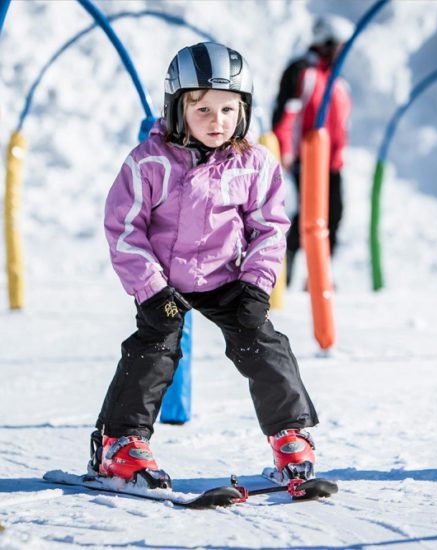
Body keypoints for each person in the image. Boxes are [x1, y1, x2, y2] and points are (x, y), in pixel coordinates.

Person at [88, 42, 319, 489]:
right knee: (154, 349)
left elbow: (269, 227)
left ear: (244, 111)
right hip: (165, 283)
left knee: (264, 344)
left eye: (229, 110)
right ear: (177, 110)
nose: (218, 122)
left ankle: (290, 434)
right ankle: (120, 443)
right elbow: (123, 229)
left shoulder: (253, 164)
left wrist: (256, 285)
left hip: (225, 277)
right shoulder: (148, 163)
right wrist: (151, 290)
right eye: (203, 110)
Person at [272, 14, 353, 285]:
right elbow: (286, 113)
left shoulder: (337, 82)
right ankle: (285, 272)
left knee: (334, 215)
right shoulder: (302, 72)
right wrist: (284, 150)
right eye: (340, 47)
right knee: (304, 215)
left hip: (331, 163)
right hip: (305, 159)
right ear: (326, 44)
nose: (343, 54)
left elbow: (340, 124)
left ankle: (318, 278)